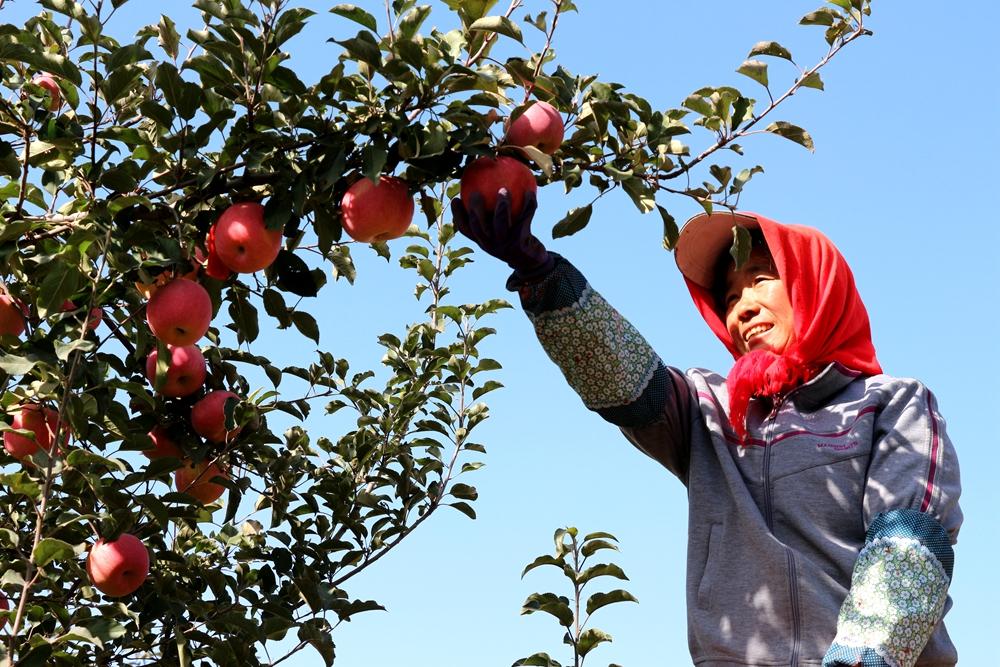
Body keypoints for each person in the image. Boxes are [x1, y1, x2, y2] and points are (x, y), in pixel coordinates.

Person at [452, 190, 962, 667]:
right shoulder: (708, 411)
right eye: (729, 296)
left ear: (816, 284)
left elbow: (906, 552)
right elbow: (623, 377)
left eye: (762, 277)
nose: (742, 306)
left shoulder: (890, 404)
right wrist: (540, 271)